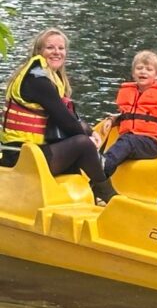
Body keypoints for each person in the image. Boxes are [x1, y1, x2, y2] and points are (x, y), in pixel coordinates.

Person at [0, 28, 116, 204]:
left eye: (61, 48)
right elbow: (65, 121)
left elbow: (68, 119)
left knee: (85, 133)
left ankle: (88, 193)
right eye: (50, 48)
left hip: (30, 150)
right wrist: (90, 136)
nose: (57, 52)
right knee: (83, 144)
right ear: (39, 51)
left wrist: (89, 130)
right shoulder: (37, 79)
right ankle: (108, 196)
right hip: (20, 155)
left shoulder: (44, 74)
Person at [102, 50, 157, 178]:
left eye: (149, 69)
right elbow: (126, 115)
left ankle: (102, 165)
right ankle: (101, 178)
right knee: (125, 142)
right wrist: (111, 120)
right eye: (139, 68)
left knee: (127, 142)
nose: (143, 72)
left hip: (151, 143)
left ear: (156, 74)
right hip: (131, 139)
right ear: (133, 72)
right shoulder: (128, 92)